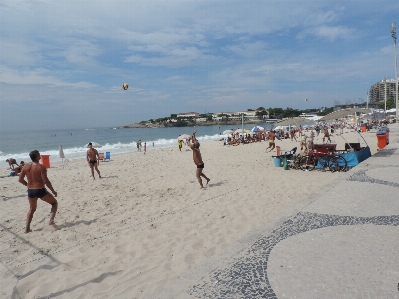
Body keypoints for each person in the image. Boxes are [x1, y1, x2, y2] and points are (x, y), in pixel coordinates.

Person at [18, 150, 58, 234]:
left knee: (32, 209)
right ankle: (51, 220)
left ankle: (27, 229)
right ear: (37, 157)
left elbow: (20, 180)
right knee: (54, 203)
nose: (40, 156)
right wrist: (53, 191)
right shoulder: (41, 167)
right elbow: (46, 181)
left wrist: (28, 185)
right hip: (40, 190)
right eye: (39, 155)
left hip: (30, 191)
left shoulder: (25, 166)